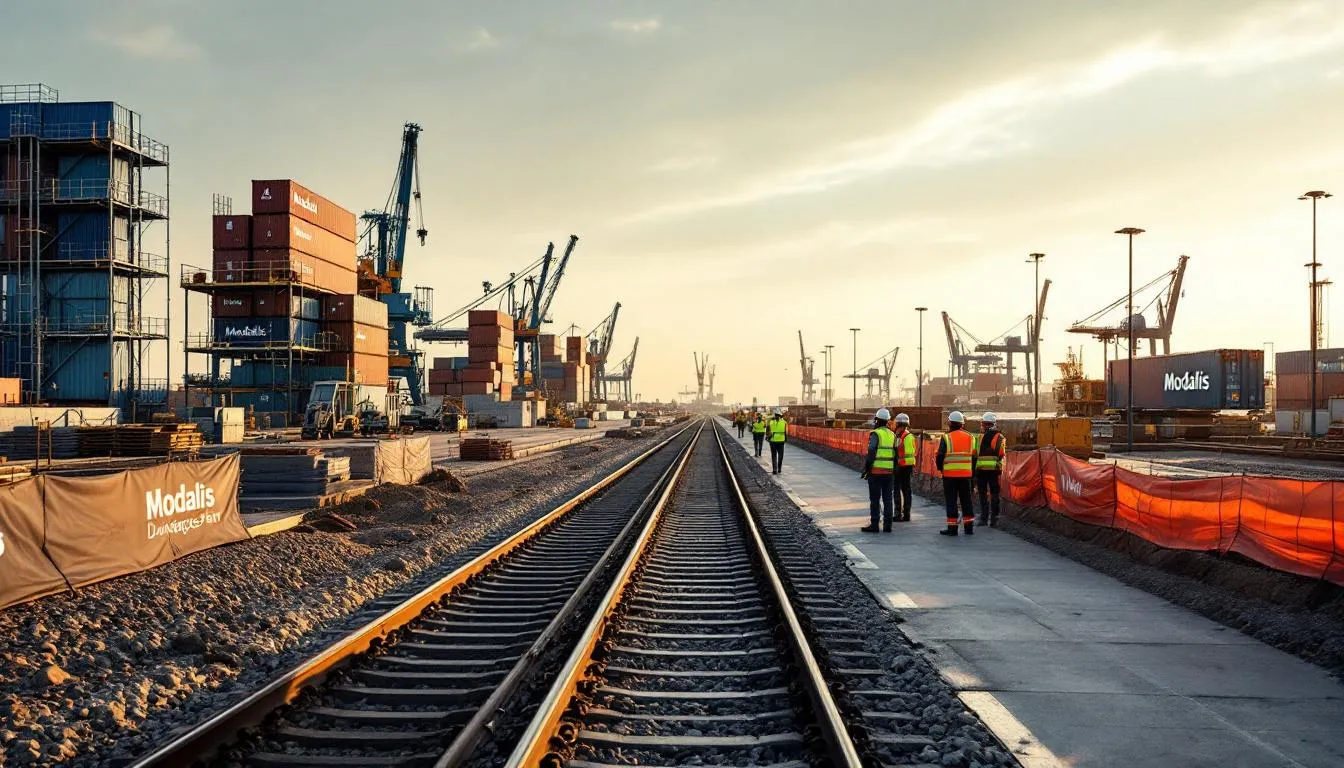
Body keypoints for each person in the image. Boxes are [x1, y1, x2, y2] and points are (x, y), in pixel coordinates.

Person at [935, 410, 976, 536]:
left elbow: (940, 456)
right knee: (967, 501)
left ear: (950, 423)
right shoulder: (971, 437)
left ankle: (952, 529)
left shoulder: (946, 437)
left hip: (950, 476)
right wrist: (972, 473)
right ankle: (969, 528)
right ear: (962, 424)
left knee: (951, 501)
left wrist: (941, 469)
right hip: (966, 476)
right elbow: (974, 458)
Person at [860, 407, 896, 532]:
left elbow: (871, 452)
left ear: (877, 420)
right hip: (889, 473)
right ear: (887, 421)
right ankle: (888, 525)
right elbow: (896, 454)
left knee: (875, 499)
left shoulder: (876, 434)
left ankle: (875, 524)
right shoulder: (892, 435)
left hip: (875, 472)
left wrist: (867, 468)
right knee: (888, 499)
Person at [975, 411, 1006, 527]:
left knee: (982, 494)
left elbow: (975, 453)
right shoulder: (1000, 437)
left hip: (981, 470)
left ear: (983, 424)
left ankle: (983, 518)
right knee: (994, 494)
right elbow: (1001, 453)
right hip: (994, 470)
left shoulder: (979, 437)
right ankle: (994, 519)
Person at [892, 412, 917, 523]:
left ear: (899, 423)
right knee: (904, 489)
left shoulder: (904, 436)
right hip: (905, 466)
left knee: (899, 489)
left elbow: (904, 453)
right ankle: (905, 514)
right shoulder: (902, 435)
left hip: (902, 466)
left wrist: (898, 463)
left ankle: (900, 514)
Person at [767, 407, 788, 474]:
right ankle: (779, 469)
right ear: (780, 415)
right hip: (781, 441)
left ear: (775, 415)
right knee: (780, 455)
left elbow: (768, 431)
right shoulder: (784, 422)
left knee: (774, 456)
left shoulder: (771, 422)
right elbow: (786, 432)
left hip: (773, 441)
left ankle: (775, 470)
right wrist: (785, 439)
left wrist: (768, 437)